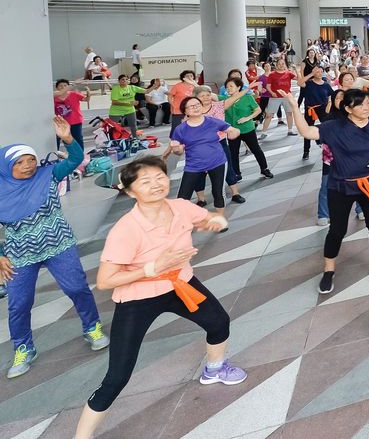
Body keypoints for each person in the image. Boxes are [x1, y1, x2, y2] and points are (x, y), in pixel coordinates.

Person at [74, 156, 242, 439]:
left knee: (219, 323)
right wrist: (152, 267)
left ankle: (214, 369)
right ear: (129, 191)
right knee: (117, 376)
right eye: (145, 181)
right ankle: (82, 436)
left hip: (180, 284)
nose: (156, 184)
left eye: (159, 177)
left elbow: (205, 219)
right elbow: (104, 281)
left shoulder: (180, 206)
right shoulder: (126, 229)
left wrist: (215, 221)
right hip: (138, 297)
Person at [1, 117, 107, 379]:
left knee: (76, 288)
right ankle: (24, 348)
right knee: (18, 303)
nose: (28, 166)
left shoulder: (48, 173)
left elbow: (75, 161)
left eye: (30, 159)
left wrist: (69, 139)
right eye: (20, 162)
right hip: (19, 254)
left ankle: (92, 327)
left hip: (59, 244)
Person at [286, 89, 369, 294]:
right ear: (348, 108)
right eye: (360, 104)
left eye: (368, 102)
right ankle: (328, 270)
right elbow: (306, 132)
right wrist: (295, 107)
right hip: (341, 186)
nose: (366, 107)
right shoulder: (334, 127)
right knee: (337, 229)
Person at [168, 96, 242, 215]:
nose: (196, 107)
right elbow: (178, 151)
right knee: (182, 197)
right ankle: (182, 224)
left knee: (218, 192)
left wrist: (234, 133)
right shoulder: (180, 129)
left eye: (197, 104)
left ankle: (220, 219)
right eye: (191, 106)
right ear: (185, 111)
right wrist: (176, 149)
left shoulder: (212, 121)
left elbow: (234, 130)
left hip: (217, 162)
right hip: (194, 166)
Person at [223, 77, 272, 187]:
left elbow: (258, 110)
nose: (228, 88)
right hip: (232, 131)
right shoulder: (225, 99)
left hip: (247, 129)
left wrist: (248, 118)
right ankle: (237, 174)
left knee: (256, 149)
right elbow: (210, 95)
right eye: (227, 87)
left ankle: (264, 169)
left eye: (231, 86)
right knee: (233, 153)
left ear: (238, 87)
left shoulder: (248, 97)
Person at [53, 78, 90, 148]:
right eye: (60, 86)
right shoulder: (54, 97)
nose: (63, 87)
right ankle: (56, 155)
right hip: (62, 123)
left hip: (75, 121)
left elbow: (86, 99)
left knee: (77, 138)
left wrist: (88, 92)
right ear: (57, 87)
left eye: (65, 85)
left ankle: (81, 155)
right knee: (61, 139)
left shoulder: (74, 94)